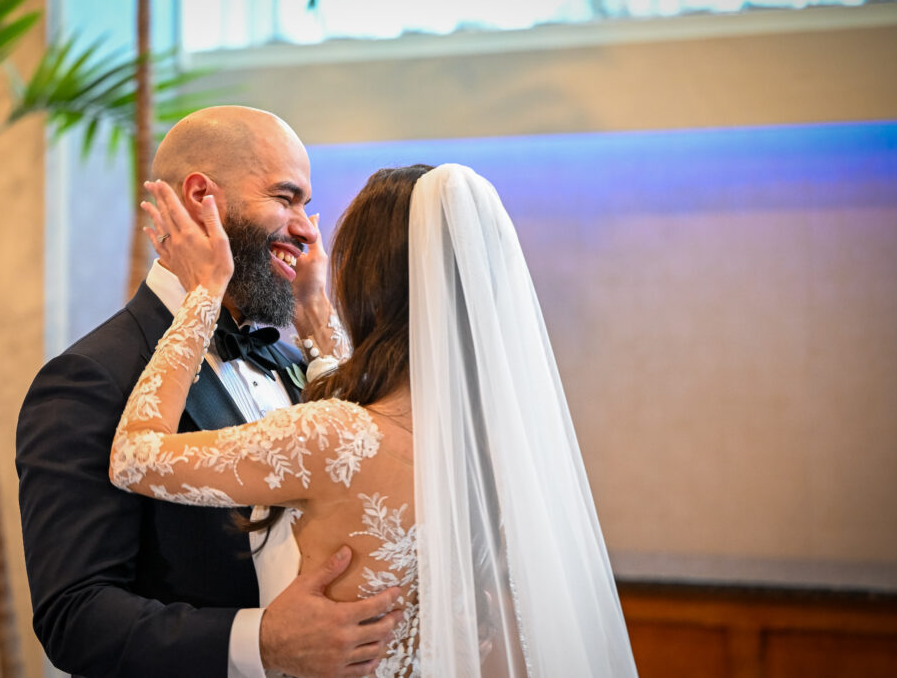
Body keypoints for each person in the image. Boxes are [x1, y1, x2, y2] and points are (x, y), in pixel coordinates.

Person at [110, 163, 640, 676]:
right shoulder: (486, 446)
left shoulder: (332, 436)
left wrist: (204, 291)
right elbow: (371, 410)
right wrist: (314, 310)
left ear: (367, 282)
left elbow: (134, 457)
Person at [16, 106, 402, 678]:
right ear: (202, 198)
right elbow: (76, 617)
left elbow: (367, 464)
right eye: (286, 198)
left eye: (307, 205)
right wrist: (261, 641)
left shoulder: (297, 360)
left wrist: (319, 319)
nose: (306, 229)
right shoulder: (91, 377)